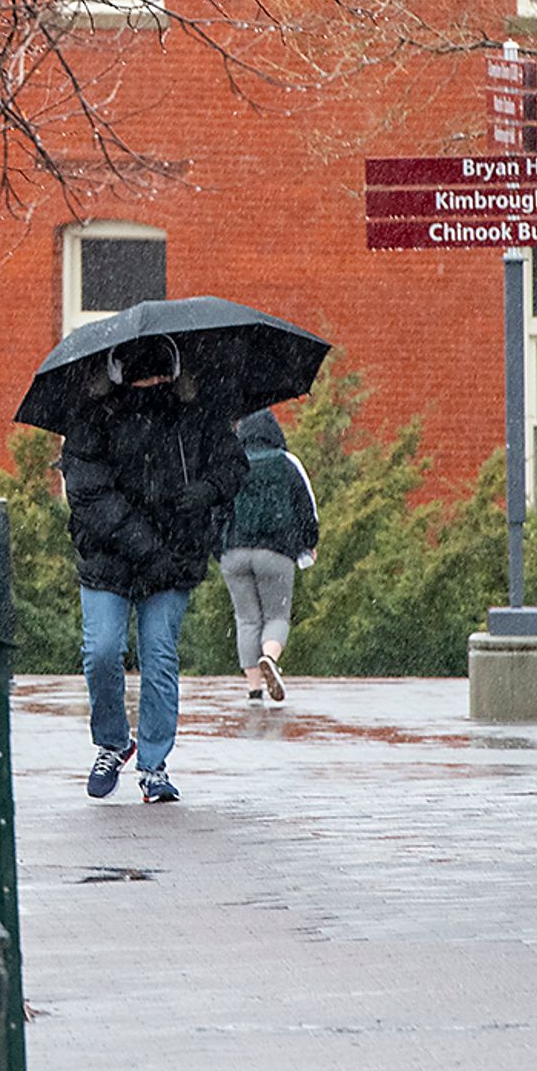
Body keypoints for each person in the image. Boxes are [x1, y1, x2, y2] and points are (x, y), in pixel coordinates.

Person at [61, 333, 248, 803]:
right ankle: (113, 742)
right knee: (101, 651)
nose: (153, 383)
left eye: (161, 373)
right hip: (112, 555)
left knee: (159, 655)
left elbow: (232, 465)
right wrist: (144, 544)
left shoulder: (196, 413)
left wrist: (206, 489)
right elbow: (89, 493)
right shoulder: (92, 417)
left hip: (173, 555)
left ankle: (154, 764)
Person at [219, 407, 320, 704]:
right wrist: (307, 542)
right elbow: (306, 508)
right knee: (276, 616)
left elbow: (215, 508)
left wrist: (220, 547)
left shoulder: (230, 463)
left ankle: (253, 690)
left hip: (234, 553)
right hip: (275, 552)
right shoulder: (286, 463)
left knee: (246, 619)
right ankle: (269, 658)